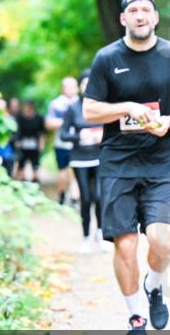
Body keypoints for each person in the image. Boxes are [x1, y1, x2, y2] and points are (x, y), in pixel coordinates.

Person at [82, 0, 170, 335]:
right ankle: (135, 314)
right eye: (133, 10)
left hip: (159, 161)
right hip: (117, 162)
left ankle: (155, 285)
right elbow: (90, 110)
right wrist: (128, 107)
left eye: (146, 9)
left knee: (162, 240)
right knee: (126, 245)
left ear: (155, 17)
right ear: (123, 19)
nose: (140, 15)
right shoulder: (106, 58)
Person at [60, 70, 111, 254]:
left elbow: (113, 131)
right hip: (79, 159)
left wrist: (101, 136)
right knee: (86, 198)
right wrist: (78, 136)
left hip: (98, 157)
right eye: (84, 84)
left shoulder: (102, 107)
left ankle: (100, 233)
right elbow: (63, 134)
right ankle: (86, 238)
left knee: (99, 197)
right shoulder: (72, 108)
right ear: (79, 87)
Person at [46, 77, 82, 206]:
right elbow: (49, 123)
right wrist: (67, 122)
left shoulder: (81, 102)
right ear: (63, 88)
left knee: (75, 170)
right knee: (63, 171)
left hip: (77, 143)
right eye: (68, 87)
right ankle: (62, 194)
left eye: (73, 86)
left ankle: (74, 198)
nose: (71, 89)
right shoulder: (56, 104)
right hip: (61, 143)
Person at [12, 99, 45, 182]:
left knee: (35, 168)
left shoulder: (39, 118)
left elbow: (42, 132)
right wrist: (16, 142)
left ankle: (35, 184)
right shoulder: (19, 118)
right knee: (20, 167)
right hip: (22, 146)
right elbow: (16, 132)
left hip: (34, 146)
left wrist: (41, 143)